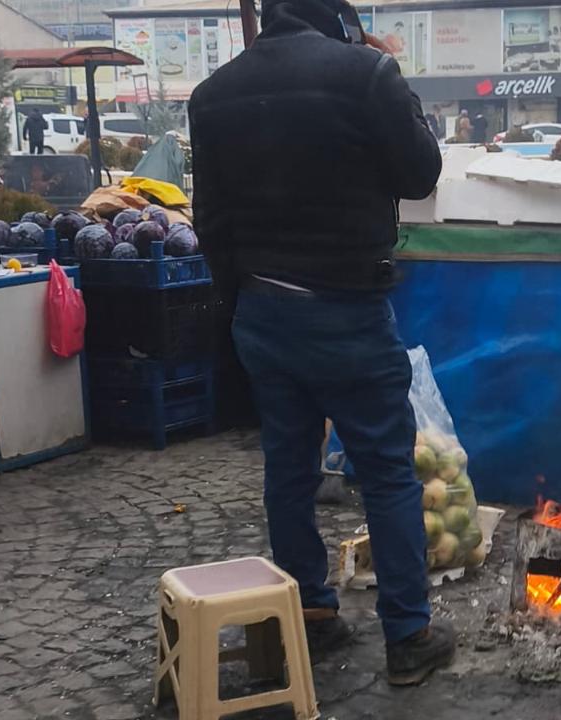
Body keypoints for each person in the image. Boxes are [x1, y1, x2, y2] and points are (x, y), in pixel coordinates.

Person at [188, 0, 453, 686]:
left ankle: (311, 612)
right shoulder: (367, 73)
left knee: (290, 466)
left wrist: (236, 305)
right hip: (347, 310)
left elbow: (210, 219)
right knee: (387, 471)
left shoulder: (213, 95)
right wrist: (398, 88)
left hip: (262, 312)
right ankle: (408, 634)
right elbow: (420, 173)